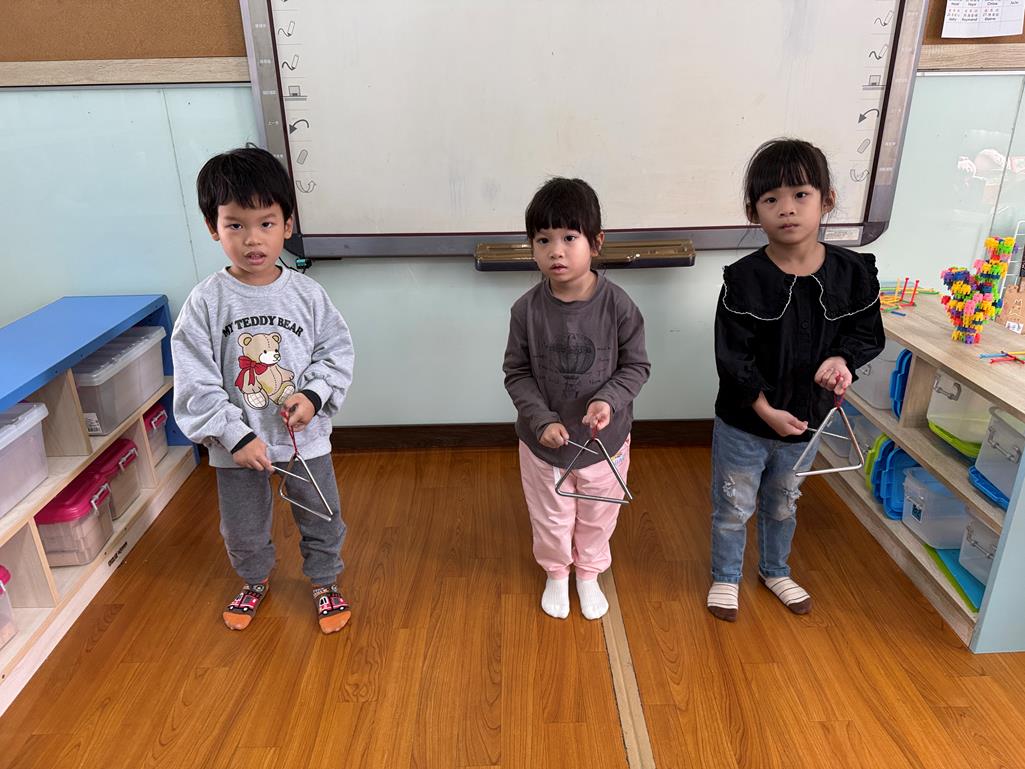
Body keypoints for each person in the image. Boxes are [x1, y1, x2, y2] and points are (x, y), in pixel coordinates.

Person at [172, 146, 354, 633]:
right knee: (242, 528)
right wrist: (235, 436)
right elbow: (195, 380)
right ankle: (254, 579)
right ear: (213, 227)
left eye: (266, 223)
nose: (252, 239)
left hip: (302, 439)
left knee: (321, 514)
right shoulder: (205, 302)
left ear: (287, 225)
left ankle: (324, 581)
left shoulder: (308, 294)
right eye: (235, 225)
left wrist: (313, 396)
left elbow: (335, 354)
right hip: (238, 446)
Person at [708, 138, 885, 622]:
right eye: (771, 199)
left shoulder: (853, 273)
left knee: (784, 502)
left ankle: (774, 570)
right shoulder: (744, 279)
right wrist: (763, 409)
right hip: (746, 422)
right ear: (754, 211)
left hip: (807, 421)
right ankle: (725, 577)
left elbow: (866, 333)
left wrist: (842, 359)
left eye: (801, 195)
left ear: (827, 200)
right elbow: (732, 356)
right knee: (733, 505)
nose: (787, 208)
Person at [503, 177, 650, 620]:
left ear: (596, 242)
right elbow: (517, 373)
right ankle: (556, 571)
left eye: (569, 238)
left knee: (598, 513)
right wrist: (542, 419)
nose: (556, 251)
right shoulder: (526, 310)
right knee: (551, 516)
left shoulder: (619, 306)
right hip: (545, 445)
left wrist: (608, 401)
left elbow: (636, 366)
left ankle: (588, 573)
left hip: (605, 442)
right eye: (543, 240)